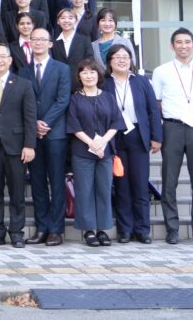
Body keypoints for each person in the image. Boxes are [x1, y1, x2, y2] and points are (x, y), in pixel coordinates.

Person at [151, 28, 193, 245]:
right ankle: (172, 229)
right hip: (172, 127)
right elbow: (157, 103)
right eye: (178, 42)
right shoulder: (161, 71)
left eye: (187, 42)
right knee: (169, 180)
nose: (183, 46)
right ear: (172, 46)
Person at [103, 43, 162, 244]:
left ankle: (142, 229)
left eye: (125, 57)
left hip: (138, 136)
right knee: (121, 185)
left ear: (131, 61)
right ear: (109, 61)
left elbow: (153, 110)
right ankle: (125, 230)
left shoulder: (141, 81)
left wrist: (156, 137)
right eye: (117, 57)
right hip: (115, 136)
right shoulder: (104, 83)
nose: (121, 60)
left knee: (139, 184)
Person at [19, 28, 71, 247]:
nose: (38, 42)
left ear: (50, 44)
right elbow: (22, 101)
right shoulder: (23, 71)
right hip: (32, 135)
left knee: (57, 182)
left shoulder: (62, 69)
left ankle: (56, 230)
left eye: (43, 39)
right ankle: (42, 228)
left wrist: (45, 123)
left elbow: (63, 99)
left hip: (55, 133)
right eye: (34, 39)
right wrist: (33, 125)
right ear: (29, 43)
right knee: (37, 182)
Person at [0, 43, 37, 248]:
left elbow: (30, 117)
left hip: (16, 146)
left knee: (17, 192)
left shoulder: (23, 84)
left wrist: (29, 145)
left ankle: (16, 232)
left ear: (10, 60)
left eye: (2, 57)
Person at [67, 59, 125, 247]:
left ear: (98, 75)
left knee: (104, 190)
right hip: (82, 151)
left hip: (105, 152)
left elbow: (116, 122)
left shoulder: (108, 97)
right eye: (84, 72)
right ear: (79, 76)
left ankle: (103, 230)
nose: (89, 75)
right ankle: (89, 230)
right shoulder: (75, 98)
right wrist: (92, 143)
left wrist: (102, 142)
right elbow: (74, 126)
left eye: (92, 72)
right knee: (85, 190)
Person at [90, 8, 134, 75]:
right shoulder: (93, 45)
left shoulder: (125, 42)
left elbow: (132, 64)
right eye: (103, 20)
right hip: (101, 81)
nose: (107, 24)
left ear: (115, 23)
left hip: (121, 79)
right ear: (98, 24)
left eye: (110, 20)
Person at [53, 8, 91, 76]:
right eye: (63, 18)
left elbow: (89, 60)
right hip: (59, 79)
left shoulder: (84, 40)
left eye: (70, 18)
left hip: (79, 79)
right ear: (58, 21)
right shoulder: (53, 43)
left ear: (76, 21)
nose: (66, 21)